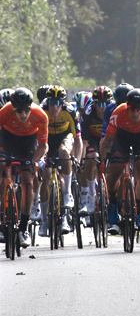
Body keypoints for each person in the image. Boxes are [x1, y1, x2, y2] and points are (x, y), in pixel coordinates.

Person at [102, 89, 140, 233]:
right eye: (131, 109)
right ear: (127, 106)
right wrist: (104, 161)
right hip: (122, 136)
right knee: (115, 168)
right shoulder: (118, 113)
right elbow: (107, 141)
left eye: (139, 109)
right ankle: (113, 206)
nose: (135, 113)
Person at [0, 88, 48, 247]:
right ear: (12, 107)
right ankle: (3, 217)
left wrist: (34, 161)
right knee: (3, 171)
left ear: (31, 107)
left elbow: (42, 146)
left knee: (28, 180)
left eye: (26, 110)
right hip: (8, 140)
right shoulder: (4, 113)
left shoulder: (41, 115)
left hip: (29, 142)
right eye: (18, 111)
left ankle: (23, 227)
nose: (23, 114)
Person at [39, 85, 82, 237]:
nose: (55, 107)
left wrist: (77, 158)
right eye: (52, 103)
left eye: (58, 103)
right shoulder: (41, 109)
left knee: (64, 153)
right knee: (45, 178)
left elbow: (78, 138)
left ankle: (67, 194)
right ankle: (44, 221)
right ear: (47, 102)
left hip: (65, 137)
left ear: (63, 103)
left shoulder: (70, 111)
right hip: (47, 141)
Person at [77, 86, 114, 216]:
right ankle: (91, 196)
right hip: (93, 139)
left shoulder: (114, 111)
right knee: (91, 158)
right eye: (99, 104)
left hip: (109, 139)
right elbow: (84, 140)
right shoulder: (88, 113)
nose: (102, 107)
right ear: (94, 103)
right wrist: (82, 158)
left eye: (105, 104)